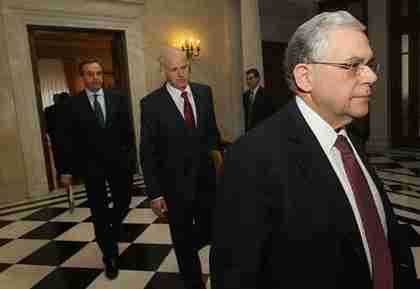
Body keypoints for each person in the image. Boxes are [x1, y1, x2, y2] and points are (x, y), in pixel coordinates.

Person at [210, 11, 417, 289]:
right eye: (353, 65)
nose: (370, 77)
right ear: (305, 77)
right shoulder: (251, 159)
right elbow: (236, 277)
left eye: (369, 64)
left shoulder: (351, 136)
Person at [140, 47, 221, 289]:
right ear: (163, 70)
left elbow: (212, 136)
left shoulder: (204, 93)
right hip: (175, 188)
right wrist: (155, 193)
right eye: (174, 69)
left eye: (184, 67)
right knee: (184, 243)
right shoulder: (151, 104)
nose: (180, 74)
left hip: (207, 184)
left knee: (214, 234)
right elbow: (148, 152)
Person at [56, 59, 135, 280]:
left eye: (99, 73)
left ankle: (109, 230)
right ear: (82, 77)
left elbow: (128, 133)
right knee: (99, 211)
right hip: (91, 168)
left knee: (123, 201)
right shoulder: (72, 105)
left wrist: (130, 160)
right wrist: (65, 170)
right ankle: (109, 255)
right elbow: (64, 141)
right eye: (90, 74)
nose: (95, 78)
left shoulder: (117, 98)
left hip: (119, 165)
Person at [44, 91, 70, 175]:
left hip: (56, 139)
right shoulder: (69, 108)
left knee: (59, 160)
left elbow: (46, 126)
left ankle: (61, 174)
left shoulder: (48, 110)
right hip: (64, 139)